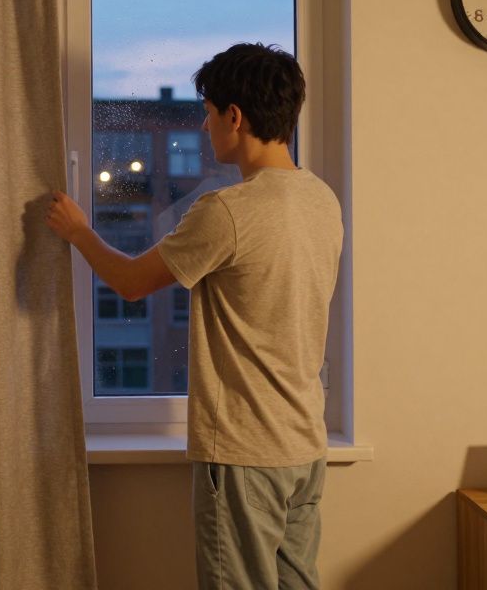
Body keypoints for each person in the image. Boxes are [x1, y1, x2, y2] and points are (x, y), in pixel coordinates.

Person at [45, 43, 343, 589]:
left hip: (245, 450)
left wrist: (78, 232)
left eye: (207, 115)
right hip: (304, 443)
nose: (205, 130)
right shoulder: (321, 199)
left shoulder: (227, 210)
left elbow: (132, 284)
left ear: (235, 116)